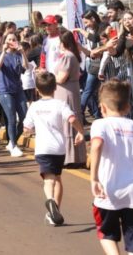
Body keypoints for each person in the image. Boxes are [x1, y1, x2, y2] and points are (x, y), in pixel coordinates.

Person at [89, 79, 133, 255]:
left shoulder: (100, 124)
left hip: (108, 189)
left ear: (102, 107)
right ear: (128, 107)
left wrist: (94, 178)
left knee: (107, 233)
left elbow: (96, 146)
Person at [23, 72, 85, 226]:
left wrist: (29, 131)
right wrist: (81, 132)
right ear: (55, 87)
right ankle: (55, 210)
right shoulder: (60, 104)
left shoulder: (34, 106)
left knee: (49, 179)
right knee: (57, 178)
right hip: (59, 148)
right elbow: (72, 119)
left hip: (43, 148)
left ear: (37, 89)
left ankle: (50, 202)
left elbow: (26, 128)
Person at [0, 33, 28, 157]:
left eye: (14, 39)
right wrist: (3, 51)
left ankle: (12, 141)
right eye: (9, 40)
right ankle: (13, 145)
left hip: (18, 89)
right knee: (11, 118)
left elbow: (26, 67)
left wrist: (23, 52)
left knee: (25, 117)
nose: (12, 41)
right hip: (5, 90)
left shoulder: (18, 55)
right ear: (5, 41)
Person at [55, 32, 87, 166]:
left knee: (68, 121)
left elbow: (61, 78)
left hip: (66, 90)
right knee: (71, 120)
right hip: (70, 90)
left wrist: (49, 77)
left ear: (63, 43)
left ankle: (71, 158)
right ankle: (76, 156)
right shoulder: (72, 55)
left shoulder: (67, 56)